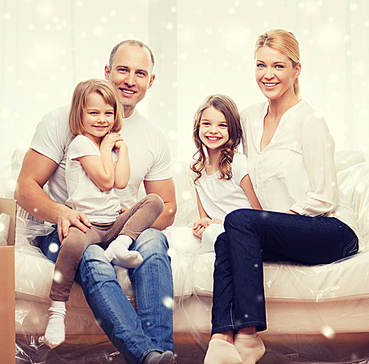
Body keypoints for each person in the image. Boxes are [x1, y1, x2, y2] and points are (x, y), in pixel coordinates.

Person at [15, 40, 177, 364]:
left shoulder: (153, 136)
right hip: (68, 229)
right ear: (107, 72)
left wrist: (129, 220)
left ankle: (160, 352)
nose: (130, 80)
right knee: (91, 255)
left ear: (151, 81)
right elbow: (25, 187)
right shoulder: (64, 120)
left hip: (116, 227)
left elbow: (168, 207)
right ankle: (145, 356)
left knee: (155, 241)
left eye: (140, 73)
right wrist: (61, 212)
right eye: (123, 70)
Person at [204, 29, 360, 364]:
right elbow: (225, 162)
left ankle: (248, 335)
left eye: (278, 66)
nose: (268, 75)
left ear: (296, 69)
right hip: (276, 228)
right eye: (261, 65)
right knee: (226, 237)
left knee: (239, 222)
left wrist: (269, 224)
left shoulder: (310, 120)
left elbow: (324, 197)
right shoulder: (248, 118)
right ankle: (221, 338)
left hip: (329, 229)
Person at [44, 79, 164, 349]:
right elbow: (105, 181)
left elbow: (121, 183)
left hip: (112, 224)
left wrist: (124, 150)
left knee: (154, 201)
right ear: (80, 115)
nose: (102, 120)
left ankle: (120, 246)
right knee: (72, 244)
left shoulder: (107, 144)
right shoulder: (81, 145)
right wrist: (107, 148)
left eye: (108, 113)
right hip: (87, 226)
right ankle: (57, 310)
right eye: (93, 113)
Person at [189, 94, 261, 251]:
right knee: (177, 239)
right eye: (207, 123)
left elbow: (258, 212)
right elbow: (205, 217)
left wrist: (225, 224)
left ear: (232, 130)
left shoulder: (238, 164)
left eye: (222, 125)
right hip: (216, 231)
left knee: (217, 235)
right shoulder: (197, 171)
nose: (213, 131)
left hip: (242, 230)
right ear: (198, 127)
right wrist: (202, 225)